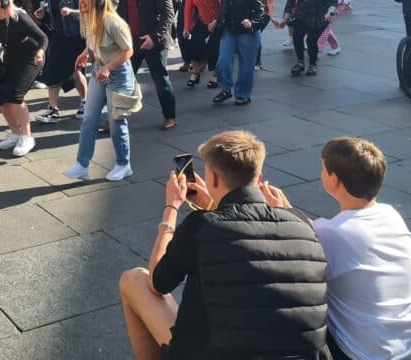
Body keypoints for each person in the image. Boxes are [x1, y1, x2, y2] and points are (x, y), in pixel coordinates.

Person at [119, 130, 331, 360]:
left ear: (213, 178)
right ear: (259, 178)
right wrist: (213, 204)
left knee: (134, 280)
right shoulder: (302, 225)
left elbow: (158, 283)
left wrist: (171, 208)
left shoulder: (201, 226)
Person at [261, 138, 411, 360]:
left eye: (323, 168)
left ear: (334, 179)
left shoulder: (333, 233)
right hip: (404, 340)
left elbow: (307, 241)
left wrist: (283, 213)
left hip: (360, 351)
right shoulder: (391, 214)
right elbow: (320, 231)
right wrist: (289, 210)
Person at [64, 0, 137, 181]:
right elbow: (93, 42)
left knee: (116, 121)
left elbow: (128, 50)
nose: (81, 1)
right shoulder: (88, 18)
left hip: (118, 74)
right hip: (98, 70)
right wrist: (85, 53)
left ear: (99, 0)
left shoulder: (113, 22)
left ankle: (124, 164)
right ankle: (82, 165)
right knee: (89, 119)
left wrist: (109, 67)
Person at [0, 0, 46, 157]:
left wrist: (40, 52)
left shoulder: (19, 17)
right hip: (11, 57)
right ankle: (15, 133)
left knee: (16, 96)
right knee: (2, 99)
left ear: (3, 0)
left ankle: (27, 137)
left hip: (31, 58)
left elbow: (42, 38)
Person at [118, 0, 177, 130]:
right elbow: (120, 13)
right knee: (124, 80)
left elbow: (168, 15)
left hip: (154, 42)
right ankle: (117, 116)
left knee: (161, 80)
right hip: (132, 41)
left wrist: (154, 37)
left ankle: (170, 116)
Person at [35, 0, 87, 122]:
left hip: (73, 37)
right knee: (51, 70)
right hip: (57, 34)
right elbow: (47, 2)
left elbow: (86, 11)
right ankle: (53, 108)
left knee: (75, 71)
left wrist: (71, 11)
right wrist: (42, 10)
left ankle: (85, 103)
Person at [211, 0, 266, 106]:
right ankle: (225, 89)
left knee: (246, 65)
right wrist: (217, 20)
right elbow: (224, 7)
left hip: (247, 32)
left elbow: (261, 11)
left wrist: (251, 22)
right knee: (223, 61)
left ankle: (243, 94)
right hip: (229, 28)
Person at [277, 0, 337, 77]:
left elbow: (333, 1)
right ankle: (300, 62)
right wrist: (285, 19)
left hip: (320, 16)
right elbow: (290, 3)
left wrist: (330, 12)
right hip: (302, 14)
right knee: (297, 37)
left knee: (311, 40)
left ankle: (312, 64)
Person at [182, 0, 224, 89]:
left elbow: (225, 5)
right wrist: (186, 27)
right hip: (202, 21)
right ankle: (195, 73)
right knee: (194, 46)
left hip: (218, 22)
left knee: (214, 50)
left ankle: (215, 76)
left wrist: (217, 20)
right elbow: (188, 9)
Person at [251, 0, 276, 70]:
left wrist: (272, 15)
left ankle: (257, 61)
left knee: (255, 34)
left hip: (263, 12)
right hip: (250, 12)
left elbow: (270, 1)